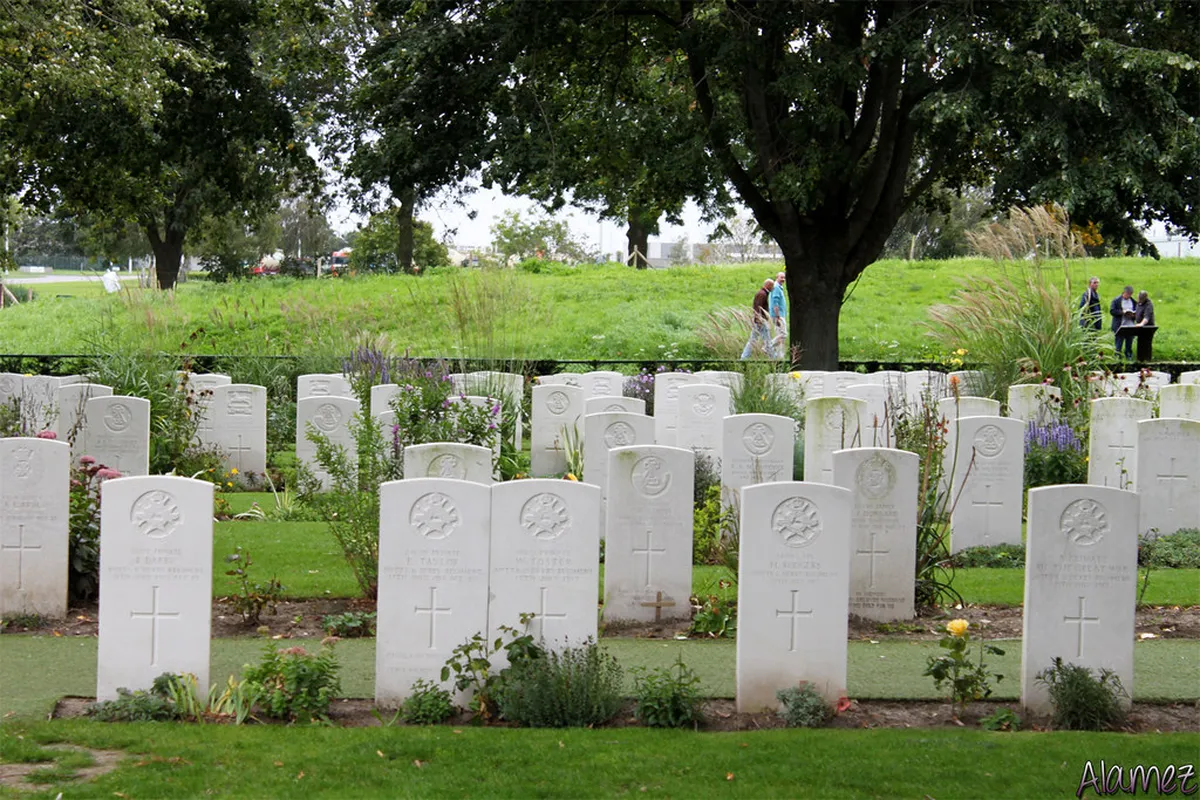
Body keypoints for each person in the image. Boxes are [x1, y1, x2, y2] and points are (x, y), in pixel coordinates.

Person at [741, 278, 777, 359]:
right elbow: (758, 307)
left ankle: (744, 357)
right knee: (767, 340)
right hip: (761, 321)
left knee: (753, 340)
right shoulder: (762, 294)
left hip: (759, 320)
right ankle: (773, 358)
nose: (773, 288)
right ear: (768, 285)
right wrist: (759, 319)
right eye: (772, 286)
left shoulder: (762, 293)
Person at [1109, 285, 1137, 359]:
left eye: (1130, 294)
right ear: (1124, 292)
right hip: (1120, 324)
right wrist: (1122, 312)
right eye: (1128, 294)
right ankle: (1117, 356)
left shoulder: (1133, 301)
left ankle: (1128, 355)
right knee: (1119, 342)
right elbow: (1112, 311)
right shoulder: (1116, 300)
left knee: (1129, 341)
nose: (1129, 296)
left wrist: (1133, 315)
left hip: (1130, 324)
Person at [769, 271, 787, 358]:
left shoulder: (779, 287)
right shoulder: (776, 287)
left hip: (780, 314)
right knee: (783, 334)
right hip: (778, 315)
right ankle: (768, 346)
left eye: (784, 277)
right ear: (777, 277)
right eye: (781, 277)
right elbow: (775, 302)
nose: (783, 279)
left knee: (780, 336)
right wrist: (777, 315)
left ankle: (780, 356)